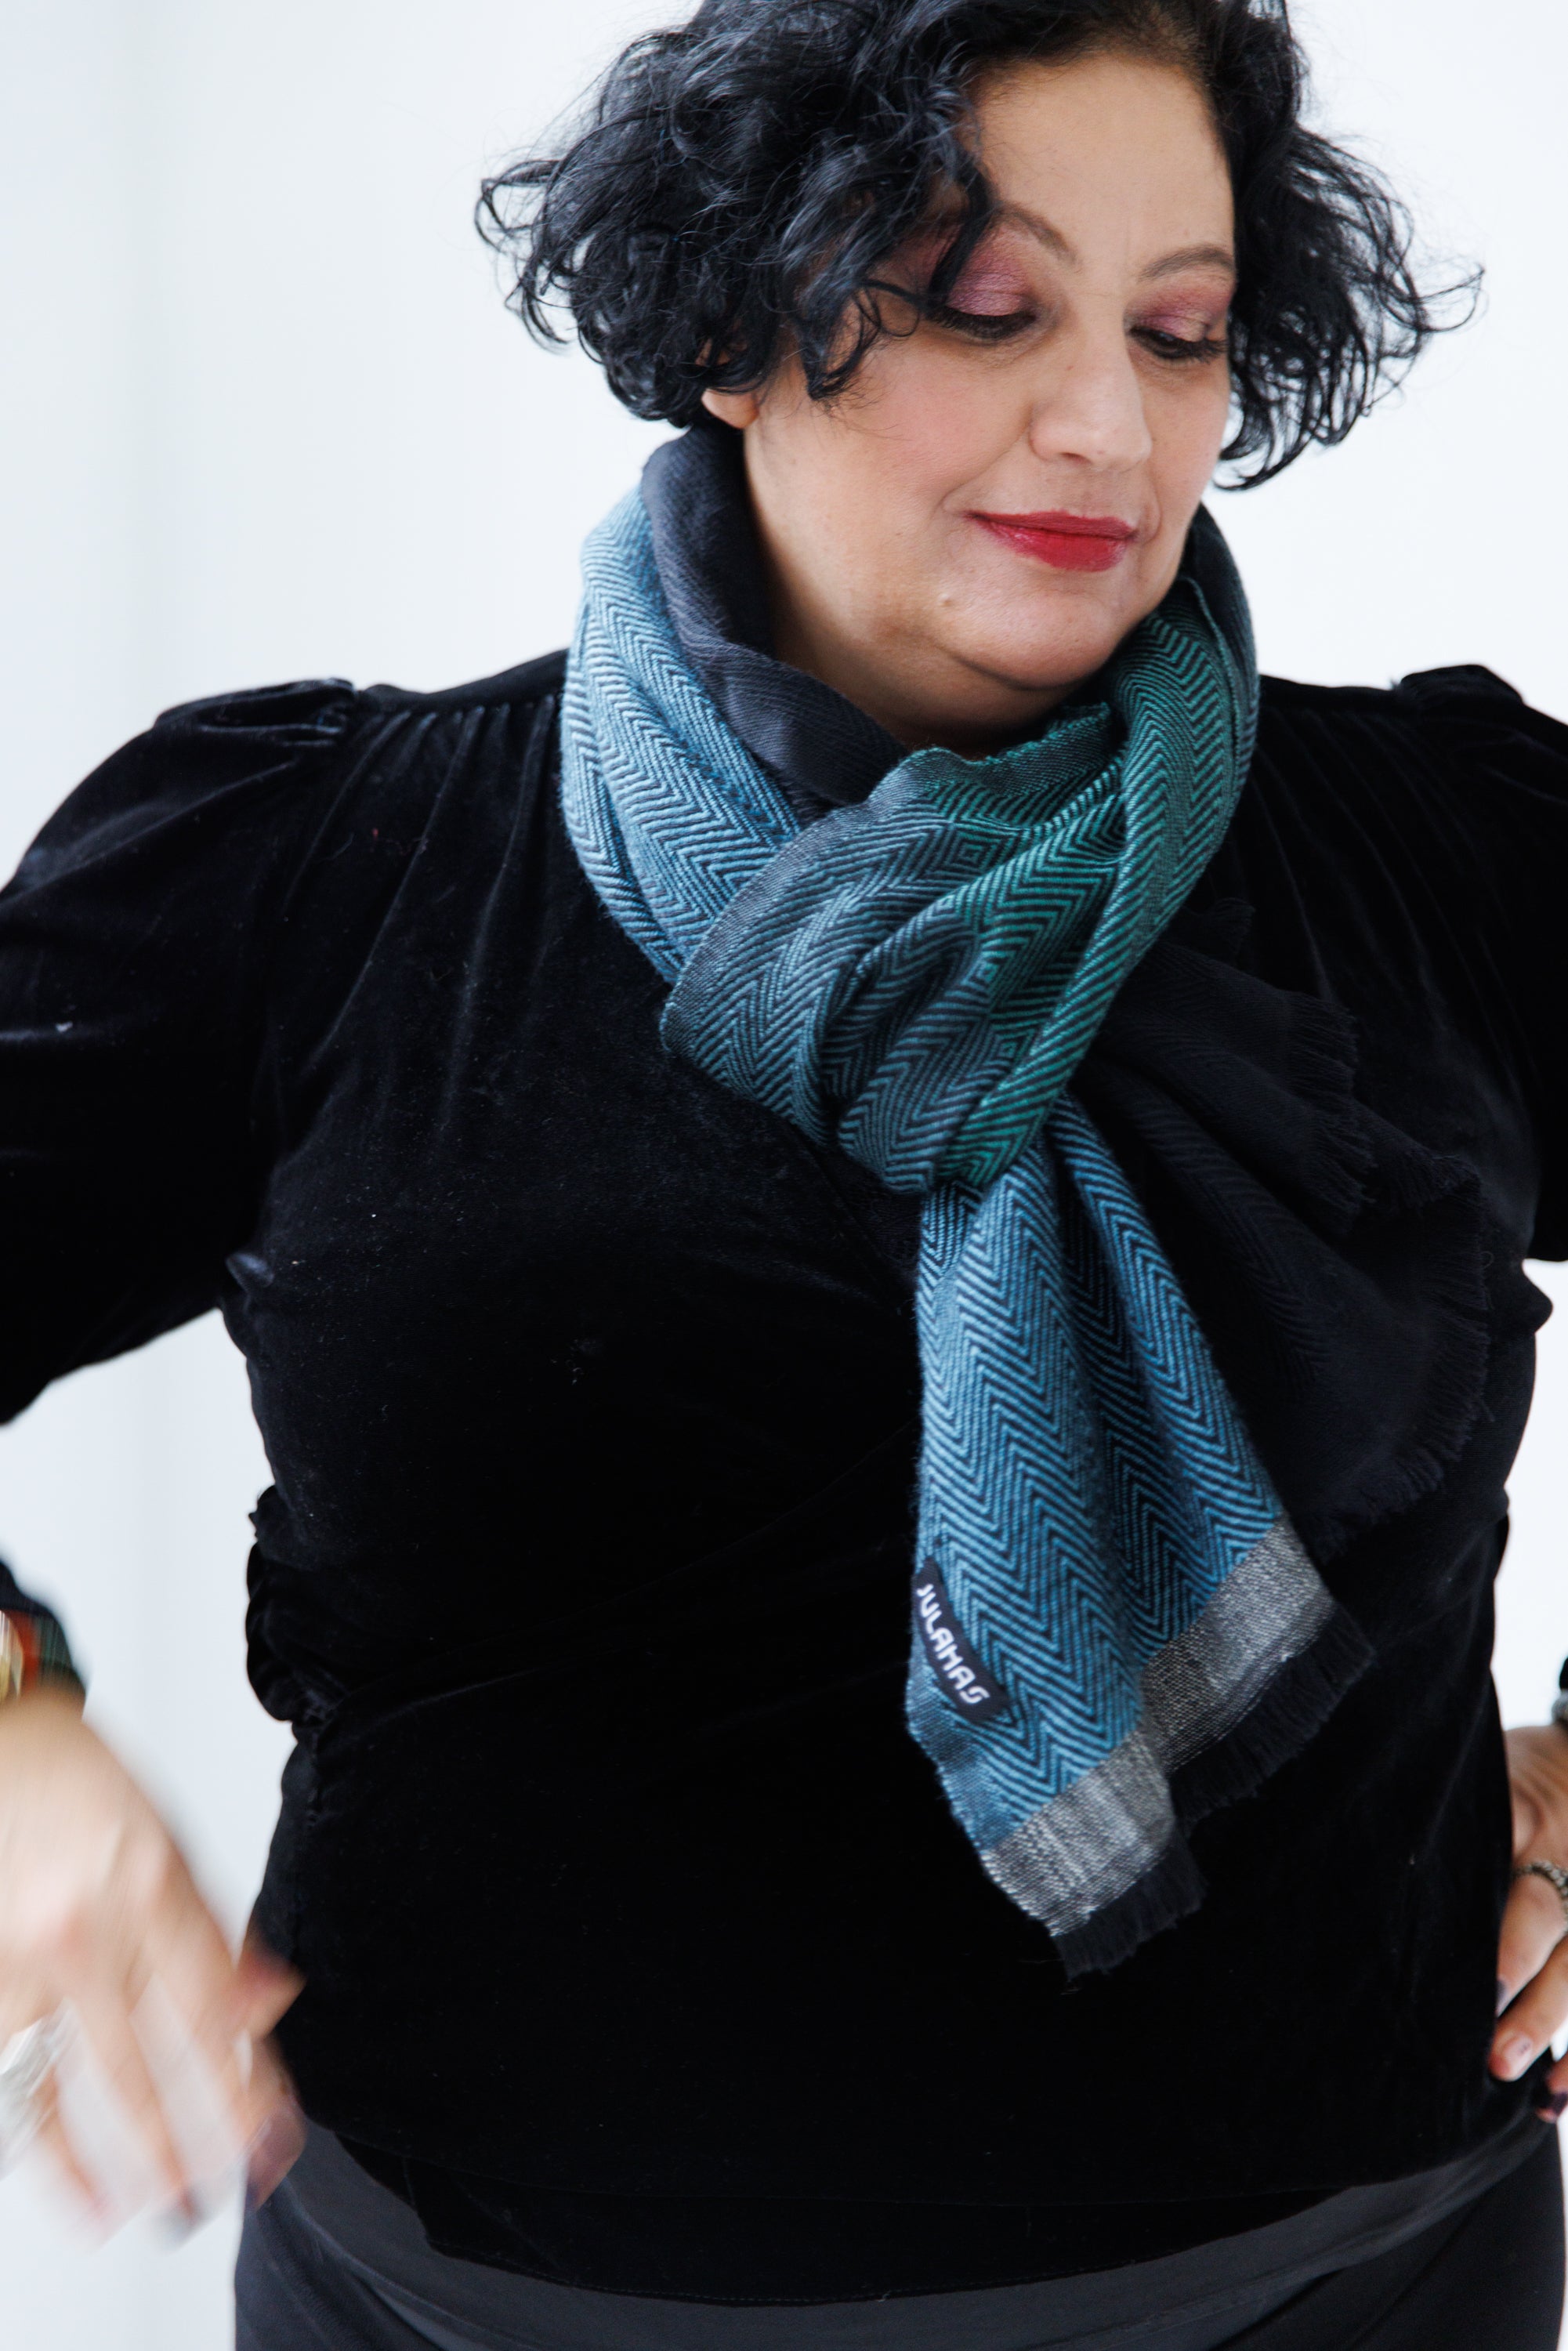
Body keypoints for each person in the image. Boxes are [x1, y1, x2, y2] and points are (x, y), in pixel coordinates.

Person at [1, 0, 1566, 2342]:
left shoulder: (1442, 863)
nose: (1106, 424)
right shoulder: (326, 871)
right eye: (981, 302)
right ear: (735, 321)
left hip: (1348, 2284)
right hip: (469, 2302)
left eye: (1179, 332)